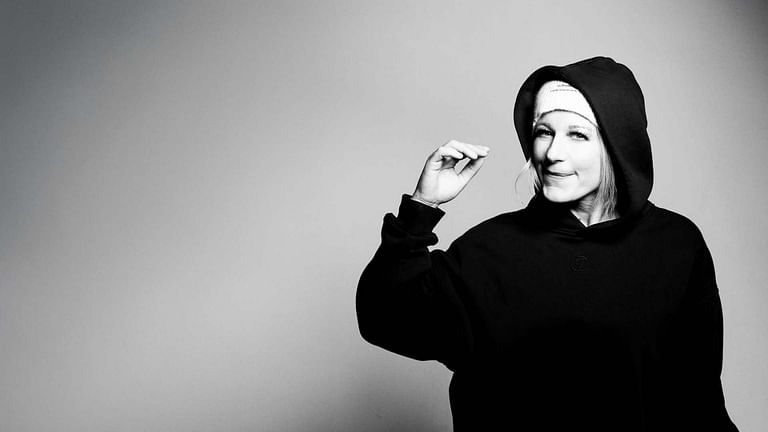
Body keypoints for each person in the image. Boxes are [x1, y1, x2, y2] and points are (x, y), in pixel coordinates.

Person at [356, 57, 739, 431]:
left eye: (577, 135)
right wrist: (422, 206)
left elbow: (700, 401)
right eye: (544, 132)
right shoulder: (490, 249)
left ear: (618, 143)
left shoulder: (676, 246)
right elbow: (384, 317)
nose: (553, 153)